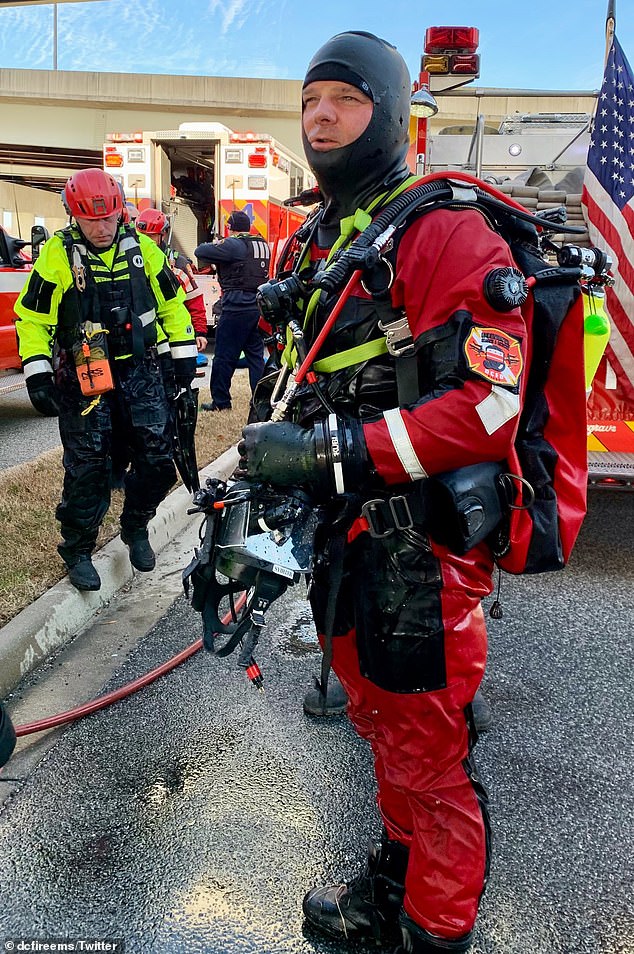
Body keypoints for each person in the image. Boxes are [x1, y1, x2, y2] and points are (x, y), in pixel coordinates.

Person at [236, 32, 528, 954]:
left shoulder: (443, 230)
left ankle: (435, 932)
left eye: (345, 100)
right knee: (381, 725)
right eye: (311, 98)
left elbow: (492, 405)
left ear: (392, 114)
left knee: (430, 754)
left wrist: (336, 452)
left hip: (422, 551)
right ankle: (400, 880)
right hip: (348, 536)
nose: (321, 116)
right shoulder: (333, 233)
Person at [15, 168, 196, 592]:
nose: (101, 228)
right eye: (91, 220)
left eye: (109, 218)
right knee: (89, 467)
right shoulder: (57, 256)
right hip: (85, 373)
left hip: (140, 371)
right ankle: (77, 549)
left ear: (121, 213)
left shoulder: (146, 252)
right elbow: (33, 317)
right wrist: (38, 372)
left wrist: (184, 359)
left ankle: (136, 526)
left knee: (157, 457)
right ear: (73, 216)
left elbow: (173, 306)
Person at [194, 210, 269, 411]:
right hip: (257, 307)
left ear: (231, 228)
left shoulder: (234, 244)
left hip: (236, 307)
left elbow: (200, 251)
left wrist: (219, 243)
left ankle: (221, 402)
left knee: (224, 357)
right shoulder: (261, 243)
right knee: (256, 357)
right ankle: (261, 401)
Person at [135, 208, 209, 365]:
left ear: (163, 234)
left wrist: (200, 332)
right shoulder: (131, 261)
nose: (147, 241)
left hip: (173, 334)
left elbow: (193, 299)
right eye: (143, 236)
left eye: (151, 236)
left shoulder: (178, 264)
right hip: (143, 336)